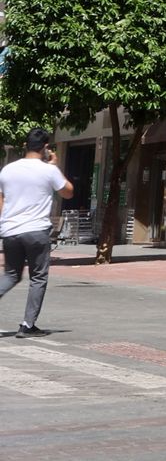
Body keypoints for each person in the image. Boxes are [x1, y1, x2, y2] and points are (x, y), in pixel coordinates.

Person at [0, 128, 73, 336]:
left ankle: (28, 324)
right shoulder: (48, 170)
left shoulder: (7, 170)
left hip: (10, 230)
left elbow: (1, 199)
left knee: (11, 275)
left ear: (25, 146)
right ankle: (27, 325)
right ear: (45, 148)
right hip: (36, 231)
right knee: (38, 277)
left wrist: (5, 223)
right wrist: (55, 167)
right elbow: (68, 192)